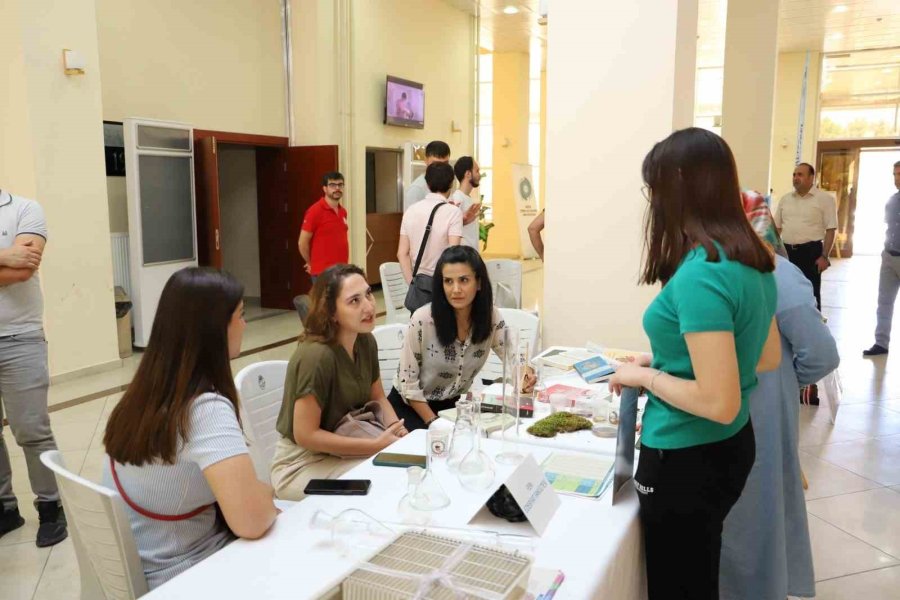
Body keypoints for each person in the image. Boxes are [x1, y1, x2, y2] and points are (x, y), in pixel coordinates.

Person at [608, 128, 781, 600]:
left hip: (685, 459)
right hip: (729, 449)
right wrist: (663, 358)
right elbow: (763, 355)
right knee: (696, 573)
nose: (653, 202)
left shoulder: (700, 274)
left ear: (679, 184)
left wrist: (644, 375)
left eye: (654, 188)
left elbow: (718, 400)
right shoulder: (751, 259)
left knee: (677, 584)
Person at [102, 268, 278, 590]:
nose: (245, 324)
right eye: (240, 315)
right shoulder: (203, 410)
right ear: (214, 329)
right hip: (187, 574)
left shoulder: (142, 396)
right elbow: (252, 521)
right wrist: (264, 493)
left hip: (150, 564)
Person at [719, 192, 839, 600]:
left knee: (755, 513)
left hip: (759, 415)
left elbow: (821, 355)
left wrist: (781, 380)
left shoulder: (777, 275)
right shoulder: (712, 272)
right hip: (729, 411)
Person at [270, 264, 408, 500]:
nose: (368, 306)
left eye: (367, 294)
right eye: (354, 301)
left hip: (347, 444)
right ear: (331, 312)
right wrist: (376, 446)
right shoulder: (316, 356)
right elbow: (306, 435)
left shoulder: (365, 341)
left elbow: (378, 397)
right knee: (382, 483)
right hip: (300, 464)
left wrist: (398, 432)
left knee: (405, 467)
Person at [389, 245, 534, 431]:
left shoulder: (490, 317)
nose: (455, 289)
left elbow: (515, 357)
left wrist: (525, 373)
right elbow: (407, 384)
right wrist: (434, 423)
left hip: (453, 409)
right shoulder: (423, 319)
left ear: (479, 282)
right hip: (410, 410)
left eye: (464, 280)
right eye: (448, 281)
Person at [0, 189, 67, 548]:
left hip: (19, 339)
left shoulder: (25, 209)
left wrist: (14, 259)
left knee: (31, 431)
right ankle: (5, 509)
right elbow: (8, 266)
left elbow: (23, 271)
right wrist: (3, 256)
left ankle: (51, 508)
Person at [397, 162, 463, 311]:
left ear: (427, 183)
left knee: (420, 332)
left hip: (419, 286)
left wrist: (412, 283)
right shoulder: (453, 212)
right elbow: (453, 254)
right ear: (451, 183)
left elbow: (402, 253)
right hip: (444, 285)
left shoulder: (411, 211)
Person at [774, 163, 838, 310]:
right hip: (787, 253)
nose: (796, 178)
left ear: (811, 177)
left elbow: (830, 230)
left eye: (800, 175)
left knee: (811, 294)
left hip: (811, 252)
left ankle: (815, 329)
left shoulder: (825, 199)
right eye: (794, 175)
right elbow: (777, 228)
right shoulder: (785, 199)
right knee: (787, 292)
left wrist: (824, 256)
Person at [864, 160, 900, 357]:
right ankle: (881, 343)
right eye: (895, 174)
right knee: (884, 302)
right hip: (889, 257)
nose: (897, 178)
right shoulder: (893, 200)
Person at [299, 172, 349, 284]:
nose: (337, 188)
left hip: (342, 271)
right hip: (323, 274)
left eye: (340, 185)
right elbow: (302, 243)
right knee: (324, 302)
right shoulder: (314, 211)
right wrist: (311, 262)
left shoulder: (343, 212)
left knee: (339, 302)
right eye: (332, 185)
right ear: (325, 188)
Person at [404, 140, 451, 208]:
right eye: (436, 164)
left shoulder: (447, 184)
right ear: (426, 160)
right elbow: (411, 217)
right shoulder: (417, 189)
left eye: (445, 164)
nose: (441, 168)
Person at [450, 156, 483, 249]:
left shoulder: (468, 198)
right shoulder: (457, 198)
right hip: (463, 255)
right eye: (477, 171)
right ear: (468, 174)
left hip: (471, 253)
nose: (479, 175)